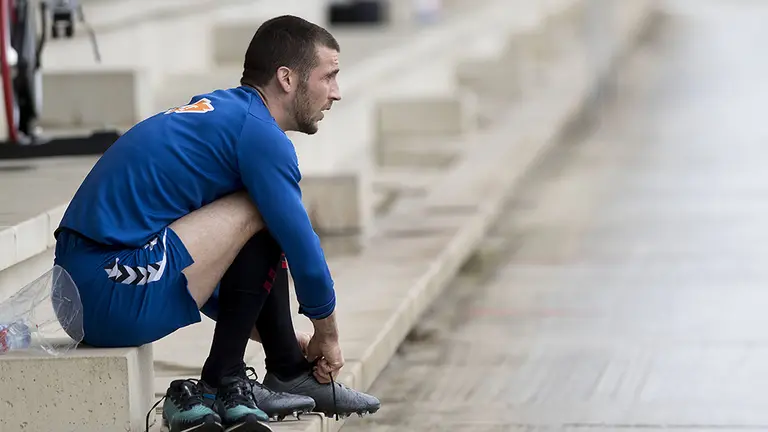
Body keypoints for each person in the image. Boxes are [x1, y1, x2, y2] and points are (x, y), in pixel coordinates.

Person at [52, 14, 380, 432]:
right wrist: (327, 335)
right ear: (287, 79)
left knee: (261, 211)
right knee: (262, 210)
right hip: (102, 292)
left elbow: (206, 260)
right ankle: (221, 378)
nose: (337, 92)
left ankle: (283, 366)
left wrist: (277, 335)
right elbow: (304, 248)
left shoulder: (227, 115)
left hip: (84, 290)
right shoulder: (259, 135)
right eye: (328, 76)